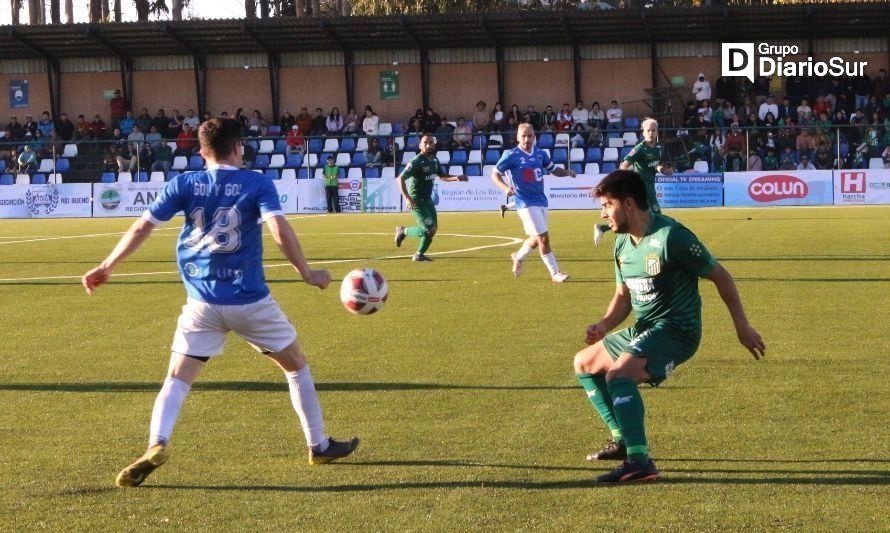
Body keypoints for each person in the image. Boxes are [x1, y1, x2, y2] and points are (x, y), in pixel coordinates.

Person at [81, 118, 359, 487]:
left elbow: (141, 227)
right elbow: (278, 229)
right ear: (238, 147)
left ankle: (157, 442)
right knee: (296, 366)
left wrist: (106, 265)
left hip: (201, 302)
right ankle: (318, 445)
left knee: (177, 379)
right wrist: (306, 273)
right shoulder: (256, 182)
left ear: (201, 151)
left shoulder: (184, 183)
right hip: (249, 301)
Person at [574, 169, 764, 483]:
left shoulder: (672, 237)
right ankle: (623, 440)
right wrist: (604, 324)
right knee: (584, 362)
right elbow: (623, 295)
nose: (603, 213)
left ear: (629, 203)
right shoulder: (621, 244)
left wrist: (742, 327)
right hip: (645, 328)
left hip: (677, 331)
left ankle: (640, 461)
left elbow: (720, 276)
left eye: (607, 204)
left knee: (619, 376)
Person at [491, 123, 576, 283]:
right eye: (523, 136)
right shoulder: (511, 155)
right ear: (517, 137)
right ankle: (555, 273)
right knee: (544, 238)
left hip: (541, 201)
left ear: (534, 137)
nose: (527, 139)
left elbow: (553, 169)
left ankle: (518, 257)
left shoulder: (540, 154)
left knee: (536, 239)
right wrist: (504, 188)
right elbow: (495, 174)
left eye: (530, 136)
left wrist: (567, 172)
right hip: (524, 202)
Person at [594, 118, 673, 247]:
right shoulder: (639, 149)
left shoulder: (658, 147)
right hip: (642, 188)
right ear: (643, 133)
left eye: (653, 130)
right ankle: (659, 244)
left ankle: (603, 228)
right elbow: (624, 165)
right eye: (648, 131)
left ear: (657, 132)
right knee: (657, 217)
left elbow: (656, 164)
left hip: (650, 186)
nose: (651, 133)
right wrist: (627, 179)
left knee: (638, 217)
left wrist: (663, 170)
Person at [394, 135, 468, 262]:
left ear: (434, 145)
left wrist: (456, 177)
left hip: (428, 200)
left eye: (431, 143)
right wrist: (407, 198)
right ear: (420, 146)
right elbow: (400, 178)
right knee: (429, 228)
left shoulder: (434, 160)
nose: (428, 145)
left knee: (433, 230)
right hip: (416, 200)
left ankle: (419, 255)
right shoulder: (416, 162)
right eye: (425, 143)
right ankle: (403, 231)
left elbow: (442, 175)